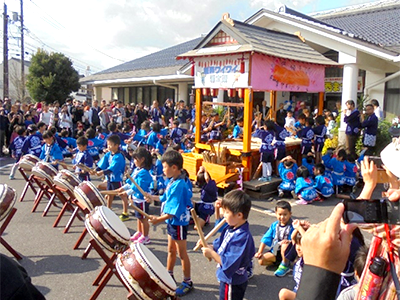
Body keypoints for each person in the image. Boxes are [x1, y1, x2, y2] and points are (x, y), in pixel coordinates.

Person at [146, 150, 194, 297]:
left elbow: (174, 211)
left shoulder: (179, 184)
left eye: (164, 167)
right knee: (170, 250)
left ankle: (187, 281)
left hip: (178, 222)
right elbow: (164, 198)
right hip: (172, 221)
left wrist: (157, 220)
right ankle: (169, 276)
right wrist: (151, 197)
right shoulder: (172, 180)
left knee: (181, 253)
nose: (163, 170)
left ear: (174, 167)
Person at [201, 189, 255, 300]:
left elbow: (228, 263)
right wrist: (209, 246)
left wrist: (211, 253)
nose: (223, 215)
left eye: (226, 212)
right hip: (228, 278)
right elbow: (220, 244)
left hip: (233, 281)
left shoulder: (242, 237)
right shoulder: (232, 228)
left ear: (239, 215)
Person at [255, 200, 294, 277]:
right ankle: (280, 262)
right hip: (276, 250)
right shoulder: (274, 225)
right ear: (276, 214)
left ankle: (285, 265)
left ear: (290, 214)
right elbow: (266, 238)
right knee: (261, 261)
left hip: (288, 250)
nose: (282, 217)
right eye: (280, 214)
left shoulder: (292, 226)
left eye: (285, 214)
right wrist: (260, 252)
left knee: (284, 245)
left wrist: (289, 241)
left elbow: (295, 240)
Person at [94, 135, 126, 209]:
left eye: (110, 144)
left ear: (116, 145)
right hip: (109, 179)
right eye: (107, 144)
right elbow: (102, 164)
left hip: (117, 179)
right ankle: (108, 208)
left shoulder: (119, 156)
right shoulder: (108, 154)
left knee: (122, 195)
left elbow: (111, 168)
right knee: (109, 194)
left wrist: (101, 172)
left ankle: (125, 211)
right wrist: (95, 170)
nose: (108, 146)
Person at [278, 222, 305, 300]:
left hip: (307, 295)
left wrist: (300, 228)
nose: (298, 248)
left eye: (302, 245)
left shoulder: (311, 259)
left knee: (284, 293)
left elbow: (308, 241)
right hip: (297, 291)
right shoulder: (298, 256)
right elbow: (293, 238)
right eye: (297, 244)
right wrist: (297, 227)